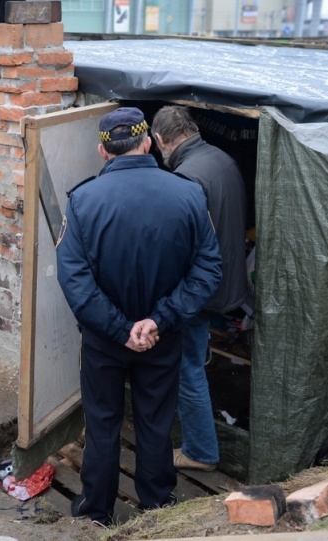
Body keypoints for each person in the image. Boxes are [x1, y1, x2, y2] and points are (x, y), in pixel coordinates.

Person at [56, 107, 223, 527]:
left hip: (103, 342)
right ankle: (156, 508)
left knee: (103, 422)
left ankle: (95, 511)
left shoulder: (83, 200)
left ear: (102, 151)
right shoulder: (187, 194)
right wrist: (158, 321)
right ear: (148, 142)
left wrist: (119, 329)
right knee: (155, 422)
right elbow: (208, 270)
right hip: (161, 338)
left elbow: (74, 279)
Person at [151, 105, 250, 472]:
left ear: (160, 140)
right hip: (228, 282)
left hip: (201, 292)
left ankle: (200, 452)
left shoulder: (187, 178)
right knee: (195, 360)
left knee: (186, 368)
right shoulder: (221, 159)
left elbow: (181, 251)